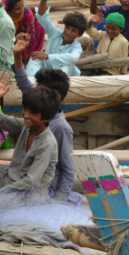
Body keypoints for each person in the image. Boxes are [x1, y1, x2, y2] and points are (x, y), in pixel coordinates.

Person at [10, 37, 79, 204]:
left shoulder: (61, 128)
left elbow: (68, 169)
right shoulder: (38, 101)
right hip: (25, 176)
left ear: (57, 98)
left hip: (43, 187)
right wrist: (17, 55)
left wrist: (60, 204)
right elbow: (22, 81)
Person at [0, 81, 60, 197]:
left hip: (26, 193)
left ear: (47, 119)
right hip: (9, 179)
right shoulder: (24, 126)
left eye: (32, 113)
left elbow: (31, 182)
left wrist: (2, 192)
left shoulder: (47, 143)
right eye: (25, 109)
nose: (26, 115)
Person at [26, 0, 86, 77]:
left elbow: (73, 57)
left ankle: (57, 89)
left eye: (74, 31)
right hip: (47, 68)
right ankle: (32, 84)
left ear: (79, 35)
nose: (68, 32)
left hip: (63, 75)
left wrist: (48, 56)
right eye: (67, 28)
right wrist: (44, 0)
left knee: (66, 64)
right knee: (35, 58)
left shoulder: (76, 46)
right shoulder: (55, 33)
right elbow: (42, 17)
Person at [2, 0, 45, 64]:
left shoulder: (27, 13)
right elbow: (2, 39)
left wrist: (26, 52)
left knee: (40, 25)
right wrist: (15, 38)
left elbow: (31, 34)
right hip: (10, 41)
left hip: (23, 38)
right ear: (8, 10)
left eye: (22, 6)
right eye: (17, 9)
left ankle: (30, 55)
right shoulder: (2, 20)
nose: (22, 10)